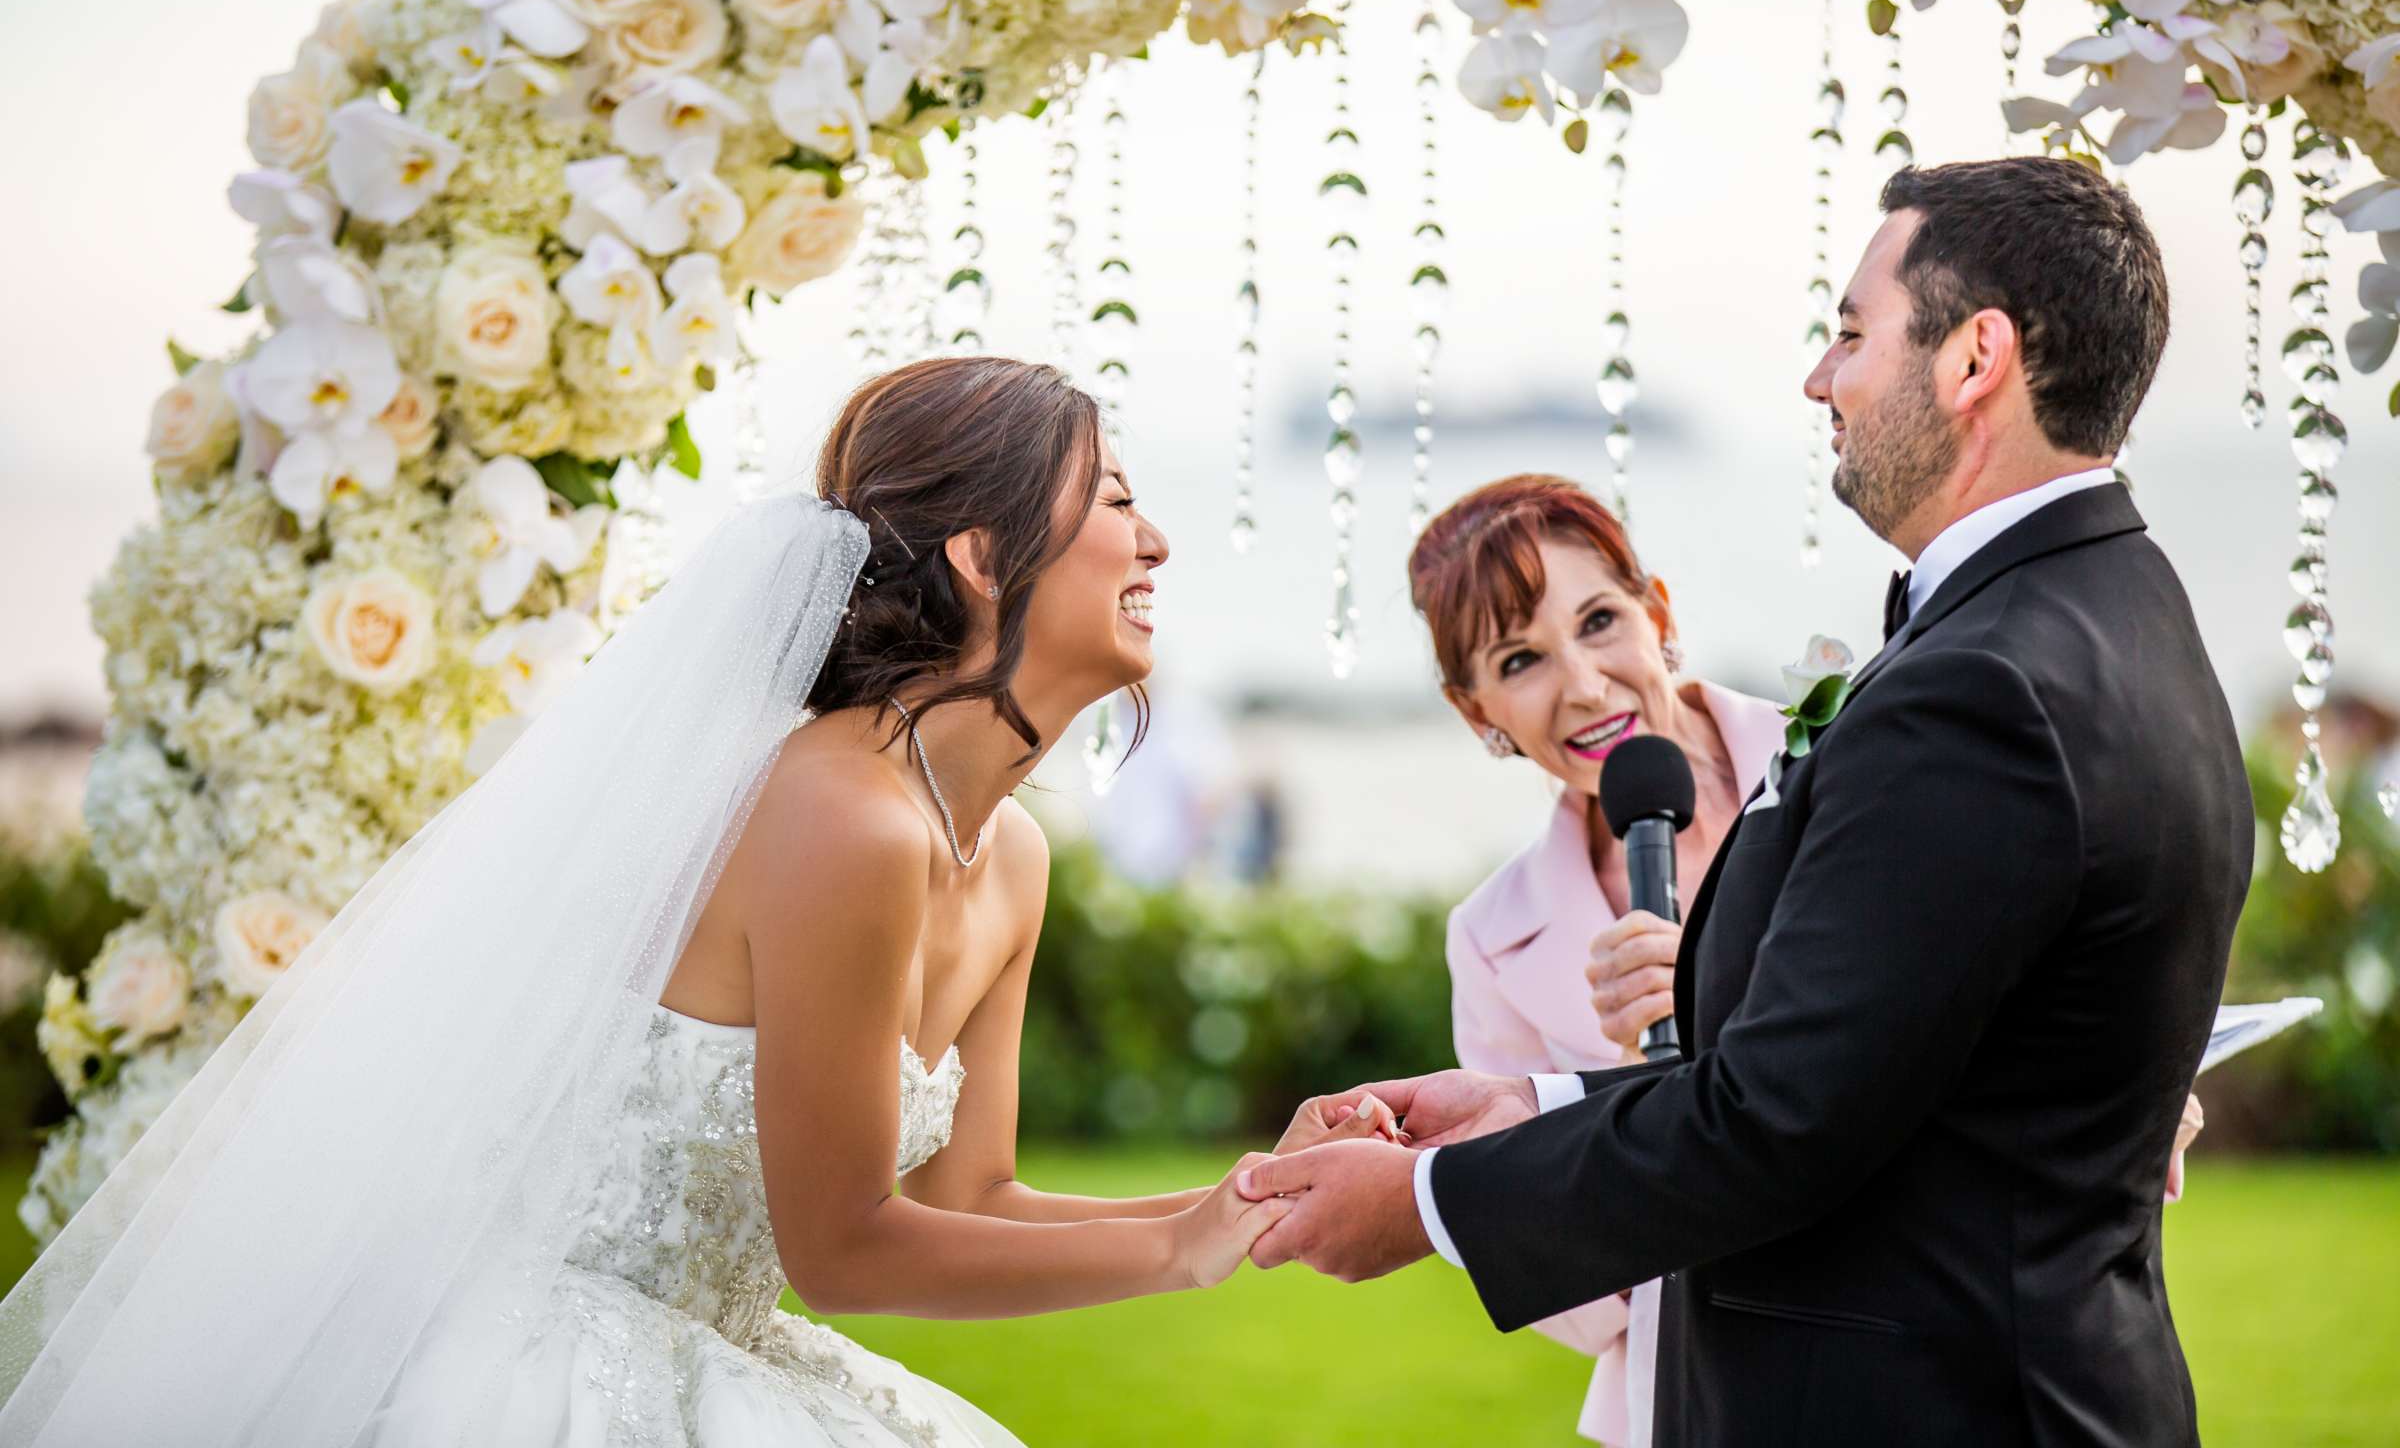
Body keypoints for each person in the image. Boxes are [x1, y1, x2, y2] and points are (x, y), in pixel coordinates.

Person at [0, 357, 1374, 1446]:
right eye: (1118, 497)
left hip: (717, 1348)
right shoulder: (842, 814)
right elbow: (840, 1247)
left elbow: (973, 1190)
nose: (1160, 540)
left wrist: (1250, 1198)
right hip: (531, 1372)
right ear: (978, 555)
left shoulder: (1010, 858)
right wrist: (1173, 1258)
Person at [1239, 157, 2253, 1448]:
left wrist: (1428, 1203)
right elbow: (1888, 1079)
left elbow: (1782, 1120)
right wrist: (1528, 1105)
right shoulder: (2114, 611)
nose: (1820, 379)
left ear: (1975, 358)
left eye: (1849, 333)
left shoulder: (1979, 687)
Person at [1405, 473, 1783, 1447]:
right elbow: (1567, 1292)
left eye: (1602, 620)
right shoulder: (1492, 940)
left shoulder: (1847, 764)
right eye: (1521, 658)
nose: (1581, 683)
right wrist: (1627, 1092)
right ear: (1474, 708)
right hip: (1695, 1393)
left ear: (1659, 612)